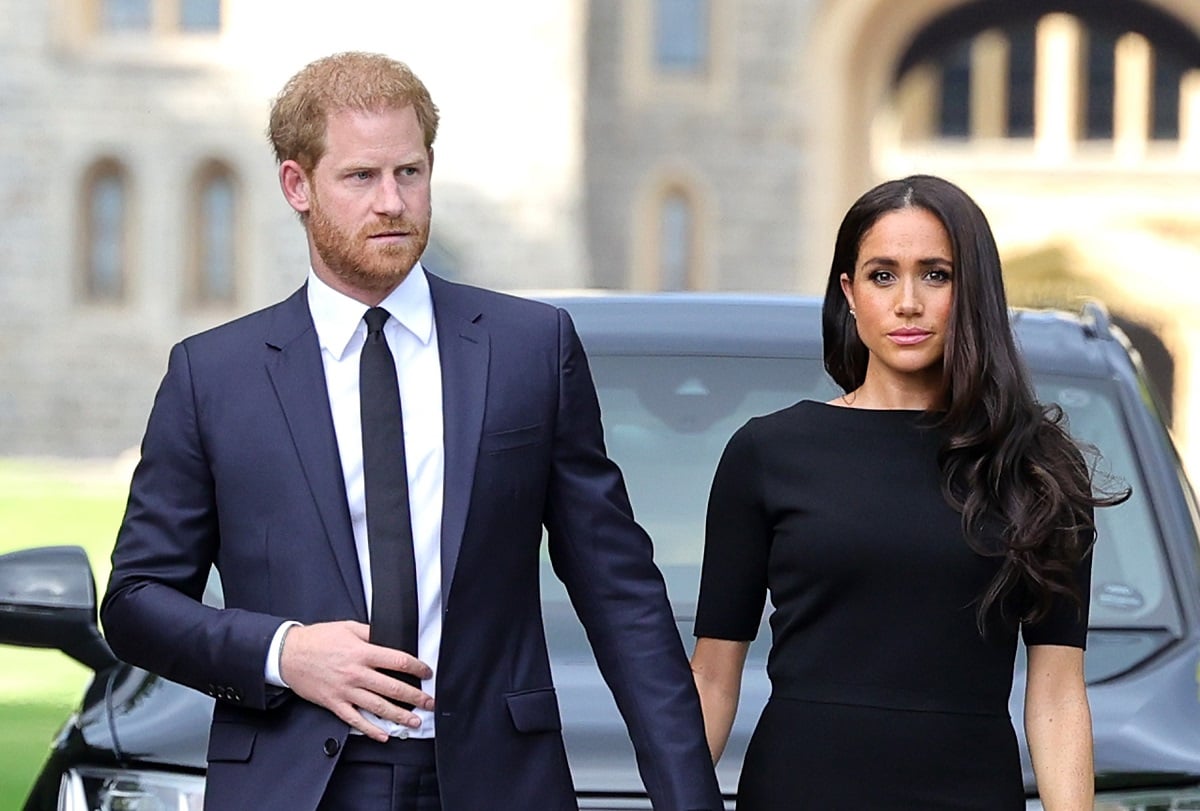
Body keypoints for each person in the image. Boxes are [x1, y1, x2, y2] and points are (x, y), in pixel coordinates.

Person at [101, 51, 722, 811]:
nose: (392, 201)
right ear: (298, 185)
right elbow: (135, 598)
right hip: (298, 782)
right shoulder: (214, 376)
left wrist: (687, 796)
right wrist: (284, 651)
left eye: (410, 172)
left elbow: (618, 588)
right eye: (361, 177)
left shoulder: (530, 348)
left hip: (497, 781)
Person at [689, 174, 1128, 810]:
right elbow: (712, 675)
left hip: (970, 793)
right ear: (849, 292)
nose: (908, 303)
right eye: (883, 275)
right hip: (800, 789)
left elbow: (1057, 692)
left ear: (971, 290)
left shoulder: (1036, 467)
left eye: (936, 275)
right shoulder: (768, 453)